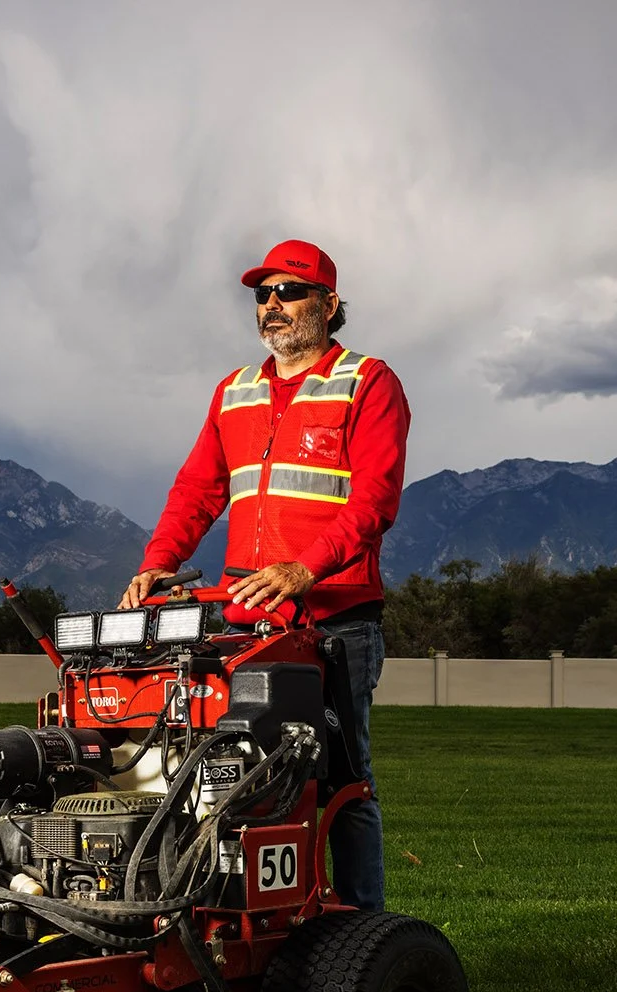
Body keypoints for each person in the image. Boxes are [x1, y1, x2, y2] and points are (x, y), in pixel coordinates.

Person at [120, 239, 409, 911]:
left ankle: (362, 930)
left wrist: (303, 569)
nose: (273, 306)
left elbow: (374, 503)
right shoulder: (236, 392)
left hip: (334, 622)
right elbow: (197, 491)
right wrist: (157, 563)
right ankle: (247, 910)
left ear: (330, 305)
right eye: (263, 295)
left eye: (290, 292)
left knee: (341, 778)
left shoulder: (368, 382)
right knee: (231, 773)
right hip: (248, 625)